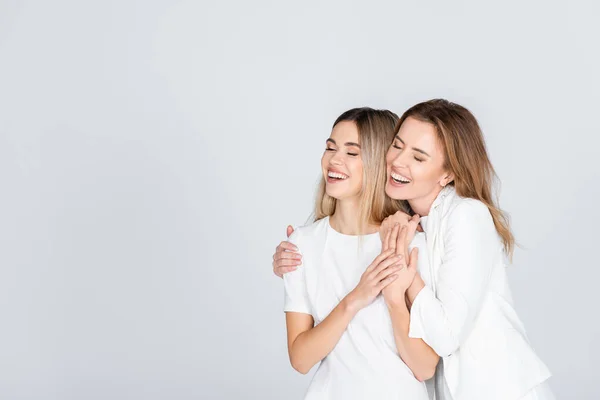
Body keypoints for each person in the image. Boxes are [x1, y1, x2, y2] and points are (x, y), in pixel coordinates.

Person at [274, 99, 554, 400]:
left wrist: (400, 287)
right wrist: (292, 255)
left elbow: (440, 342)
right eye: (397, 146)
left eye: (418, 157)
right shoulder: (406, 222)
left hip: (496, 388)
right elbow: (342, 228)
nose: (398, 162)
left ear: (447, 174)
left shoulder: (463, 217)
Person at [281, 107, 435, 400]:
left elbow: (425, 367)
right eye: (330, 147)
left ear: (379, 163)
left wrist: (393, 300)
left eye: (352, 153)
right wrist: (355, 299)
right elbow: (300, 360)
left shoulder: (409, 241)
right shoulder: (303, 245)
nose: (334, 160)